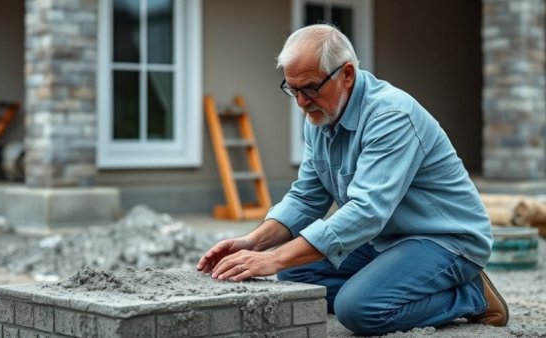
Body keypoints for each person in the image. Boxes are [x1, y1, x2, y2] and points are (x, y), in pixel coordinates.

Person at [197, 24, 508, 335]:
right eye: (292, 90)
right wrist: (253, 243)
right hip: (386, 239)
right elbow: (306, 198)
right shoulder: (320, 116)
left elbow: (366, 211)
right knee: (298, 272)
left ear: (346, 74)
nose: (301, 103)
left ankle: (472, 296)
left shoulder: (391, 115)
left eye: (309, 88)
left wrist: (275, 258)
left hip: (445, 240)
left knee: (359, 309)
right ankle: (395, 285)